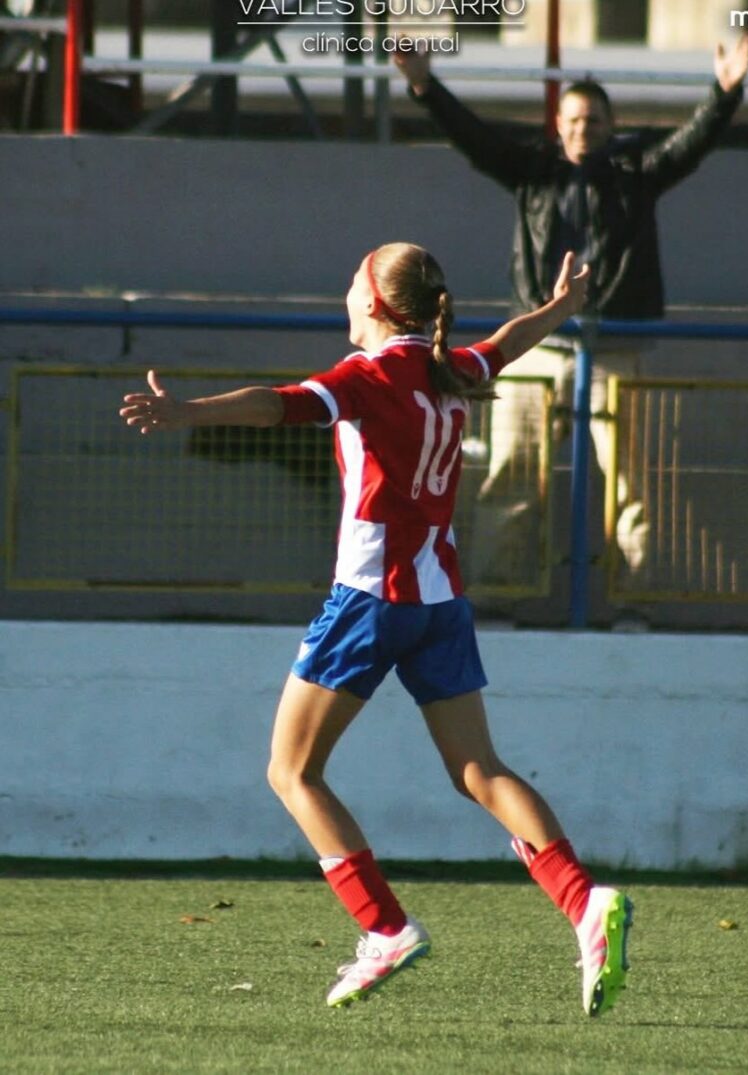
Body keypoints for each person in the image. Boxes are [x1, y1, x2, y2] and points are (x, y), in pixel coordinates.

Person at [119, 243, 633, 1015]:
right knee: (479, 769)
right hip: (440, 599)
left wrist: (185, 411)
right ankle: (584, 900)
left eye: (354, 282)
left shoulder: (370, 375)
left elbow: (275, 402)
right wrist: (560, 311)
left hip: (369, 598)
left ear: (377, 306)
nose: (346, 292)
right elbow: (507, 345)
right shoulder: (448, 368)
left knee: (291, 771)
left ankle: (386, 926)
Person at [394, 37, 748, 597]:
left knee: (637, 485)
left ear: (611, 125)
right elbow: (473, 137)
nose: (585, 127)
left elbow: (690, 145)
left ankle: (635, 600)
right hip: (535, 351)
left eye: (595, 119)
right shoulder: (533, 173)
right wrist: (424, 86)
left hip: (613, 348)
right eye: (575, 118)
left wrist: (726, 93)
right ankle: (502, 595)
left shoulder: (636, 174)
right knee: (512, 476)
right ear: (558, 125)